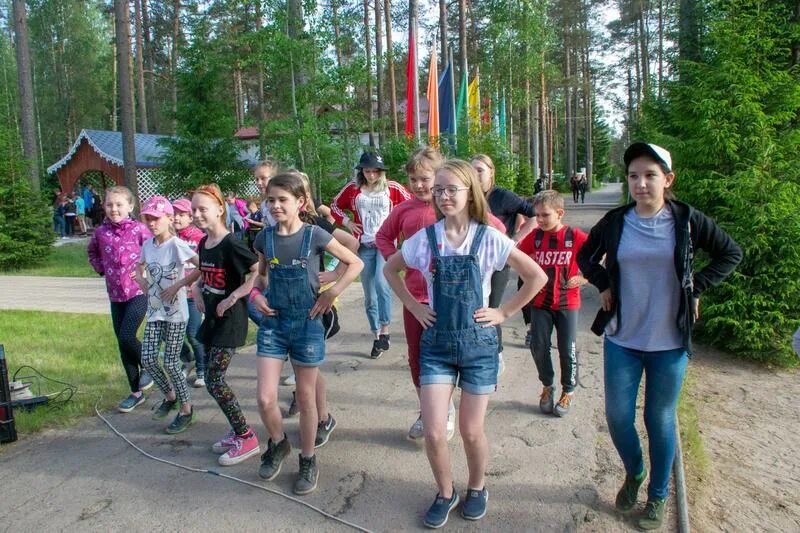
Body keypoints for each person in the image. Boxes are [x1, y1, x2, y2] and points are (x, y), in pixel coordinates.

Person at [577, 142, 742, 530]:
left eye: (650, 175)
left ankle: (658, 496)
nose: (641, 183)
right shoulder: (617, 221)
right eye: (634, 176)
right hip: (623, 337)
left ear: (668, 180)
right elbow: (586, 256)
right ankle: (634, 472)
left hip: (669, 341)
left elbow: (730, 253)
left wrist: (696, 286)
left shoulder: (686, 221)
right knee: (618, 417)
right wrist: (602, 282)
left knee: (659, 418)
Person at [384, 160, 547, 528]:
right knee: (433, 428)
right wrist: (413, 305)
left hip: (478, 346)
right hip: (437, 345)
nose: (442, 196)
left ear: (469, 192)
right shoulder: (425, 240)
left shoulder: (489, 237)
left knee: (472, 430)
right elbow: (389, 268)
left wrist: (503, 312)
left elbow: (537, 276)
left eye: (451, 189)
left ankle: (477, 487)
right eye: (438, 189)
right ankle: (445, 491)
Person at [376, 147, 506, 441]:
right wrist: (396, 258)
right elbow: (383, 237)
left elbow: (497, 235)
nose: (420, 186)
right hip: (418, 302)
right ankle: (432, 410)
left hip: (456, 304)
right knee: (418, 358)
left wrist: (496, 302)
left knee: (456, 356)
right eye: (413, 179)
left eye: (426, 179)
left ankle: (451, 407)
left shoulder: (460, 211)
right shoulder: (404, 210)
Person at [251, 172, 363, 495]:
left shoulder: (314, 235)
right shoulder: (264, 239)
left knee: (305, 396)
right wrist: (257, 297)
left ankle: (308, 457)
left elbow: (354, 262)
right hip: (273, 325)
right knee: (264, 397)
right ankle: (278, 442)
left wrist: (331, 291)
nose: (274, 206)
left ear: (300, 202)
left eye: (282, 200)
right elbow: (260, 279)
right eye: (271, 200)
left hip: (307, 324)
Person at [191, 183, 261, 466]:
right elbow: (203, 274)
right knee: (211, 380)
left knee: (215, 380)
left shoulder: (231, 243)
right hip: (212, 319)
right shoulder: (203, 243)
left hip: (230, 322)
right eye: (193, 209)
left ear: (221, 209)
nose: (197, 214)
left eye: (203, 209)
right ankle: (237, 430)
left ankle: (247, 436)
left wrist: (234, 296)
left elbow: (257, 271)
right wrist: (196, 289)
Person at [331, 151, 411, 358]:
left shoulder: (393, 188)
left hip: (385, 243)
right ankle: (376, 335)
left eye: (376, 171)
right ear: (362, 171)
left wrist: (400, 228)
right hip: (363, 244)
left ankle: (385, 330)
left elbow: (411, 206)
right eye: (368, 171)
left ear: (382, 172)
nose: (372, 175)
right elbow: (334, 206)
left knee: (381, 283)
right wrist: (347, 222)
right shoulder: (352, 189)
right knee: (369, 294)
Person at [517, 190, 588, 417]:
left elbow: (597, 255)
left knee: (567, 349)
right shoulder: (535, 236)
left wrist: (585, 277)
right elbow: (517, 256)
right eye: (537, 215)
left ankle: (568, 390)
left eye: (545, 215)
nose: (539, 220)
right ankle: (547, 386)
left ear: (560, 213)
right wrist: (528, 274)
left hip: (568, 303)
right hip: (539, 302)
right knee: (538, 346)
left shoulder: (574, 236)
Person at [135, 196, 201, 434]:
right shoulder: (148, 245)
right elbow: (139, 266)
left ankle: (186, 409)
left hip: (175, 312)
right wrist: (141, 279)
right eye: (148, 219)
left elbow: (200, 265)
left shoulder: (176, 244)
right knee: (149, 358)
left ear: (169, 219)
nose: (152, 223)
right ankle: (170, 396)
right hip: (154, 311)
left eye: (156, 218)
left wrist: (180, 284)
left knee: (172, 362)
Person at [87, 186, 154, 412]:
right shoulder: (100, 233)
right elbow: (92, 253)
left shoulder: (139, 230)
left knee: (127, 336)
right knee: (123, 344)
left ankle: (149, 365)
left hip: (138, 292)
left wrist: (148, 273)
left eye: (119, 205)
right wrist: (101, 268)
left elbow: (155, 249)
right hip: (115, 295)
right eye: (109, 205)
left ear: (130, 207)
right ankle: (136, 392)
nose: (114, 209)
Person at [470, 154, 538, 376]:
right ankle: (475, 353)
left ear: (491, 172)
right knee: (473, 308)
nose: (476, 174)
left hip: (498, 262)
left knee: (490, 309)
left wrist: (515, 239)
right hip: (471, 262)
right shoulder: (467, 194)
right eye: (472, 170)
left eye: (480, 169)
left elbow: (535, 215)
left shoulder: (502, 196)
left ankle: (496, 355)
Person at [172, 198, 208, 388]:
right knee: (169, 333)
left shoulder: (199, 237)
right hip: (173, 295)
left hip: (192, 295)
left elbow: (205, 265)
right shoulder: (169, 237)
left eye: (181, 214)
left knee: (193, 333)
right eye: (174, 214)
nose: (177, 218)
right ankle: (188, 358)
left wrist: (196, 285)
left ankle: (202, 369)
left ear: (190, 217)